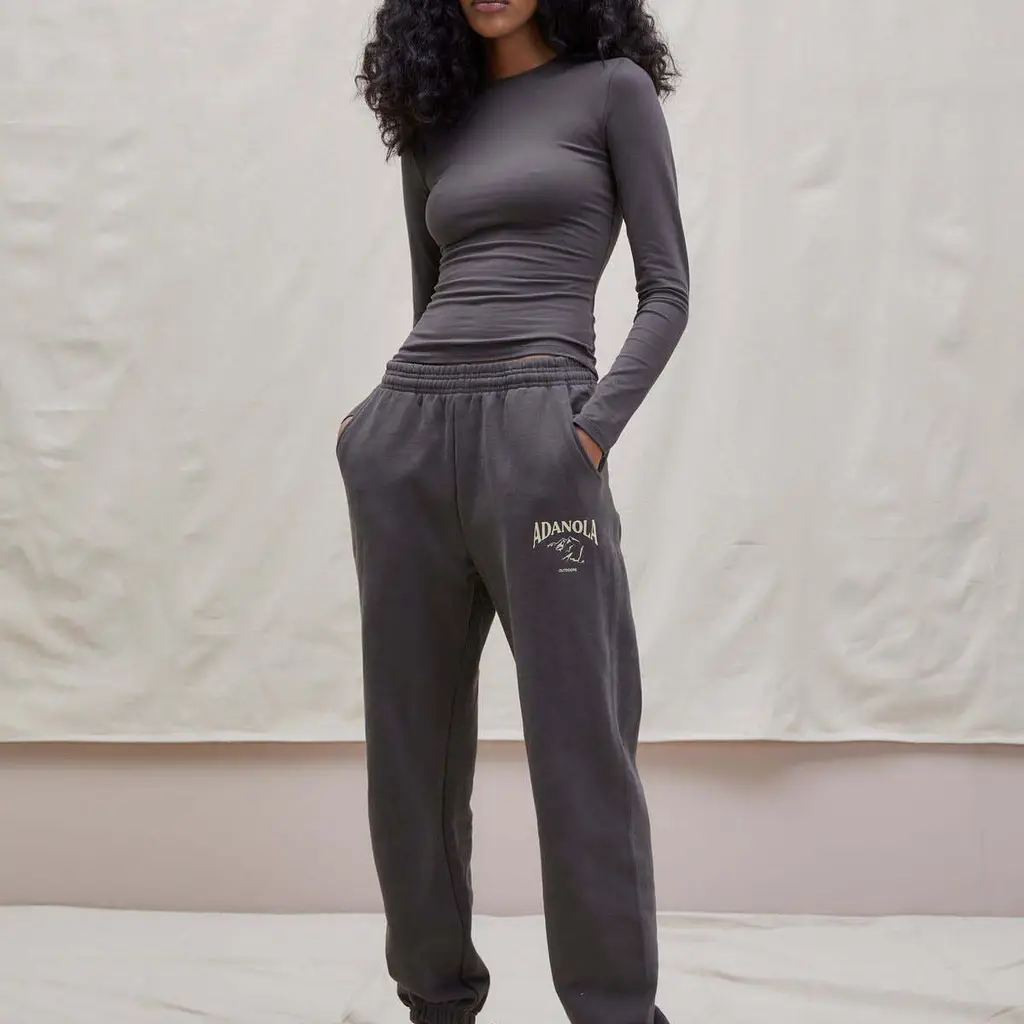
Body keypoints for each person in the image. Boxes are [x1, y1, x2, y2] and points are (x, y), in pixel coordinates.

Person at [339, 1, 689, 1022]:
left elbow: (666, 290)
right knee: (410, 751)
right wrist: (370, 428)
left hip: (543, 441)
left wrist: (588, 432)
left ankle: (614, 1009)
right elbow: (430, 299)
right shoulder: (433, 119)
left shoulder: (612, 91)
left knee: (582, 743)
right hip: (408, 443)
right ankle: (433, 998)